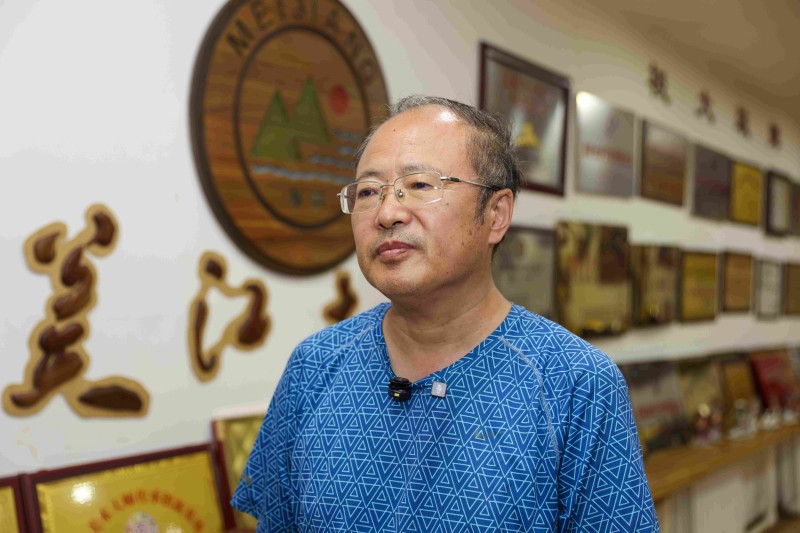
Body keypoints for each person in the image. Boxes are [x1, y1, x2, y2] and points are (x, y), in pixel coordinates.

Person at [232, 95, 659, 532]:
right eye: (368, 192)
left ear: (496, 214)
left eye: (420, 185)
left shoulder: (574, 384)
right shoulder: (315, 366)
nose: (387, 213)